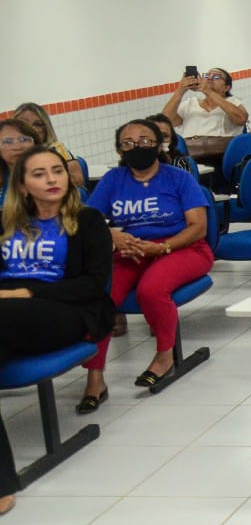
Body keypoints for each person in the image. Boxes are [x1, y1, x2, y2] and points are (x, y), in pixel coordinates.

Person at [0, 146, 115, 515]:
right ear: (22, 183)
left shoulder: (89, 220)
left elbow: (94, 285)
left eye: (57, 171)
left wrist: (28, 290)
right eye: (39, 174)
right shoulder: (4, 222)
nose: (51, 179)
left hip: (66, 311)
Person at [81, 119, 212, 410]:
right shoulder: (114, 179)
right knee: (99, 295)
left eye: (144, 141)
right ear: (119, 149)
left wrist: (162, 247)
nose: (136, 147)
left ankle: (165, 357)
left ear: (158, 145)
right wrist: (113, 234)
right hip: (131, 250)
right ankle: (95, 376)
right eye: (127, 143)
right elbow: (87, 223)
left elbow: (198, 227)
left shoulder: (178, 178)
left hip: (181, 247)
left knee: (151, 289)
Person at [161, 66, 247, 184]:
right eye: (206, 76)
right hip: (191, 155)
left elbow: (241, 119)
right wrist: (181, 90)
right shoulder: (190, 104)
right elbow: (166, 121)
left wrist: (208, 91)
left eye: (216, 77)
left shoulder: (233, 102)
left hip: (221, 156)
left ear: (226, 87)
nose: (210, 79)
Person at [8, 103, 85, 189]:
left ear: (46, 129)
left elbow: (77, 181)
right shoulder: (9, 152)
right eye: (23, 123)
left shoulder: (57, 149)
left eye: (37, 124)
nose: (30, 128)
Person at [0, 118, 45, 202]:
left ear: (35, 144)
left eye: (24, 140)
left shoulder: (51, 173)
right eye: (8, 141)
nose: (17, 147)